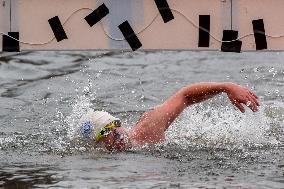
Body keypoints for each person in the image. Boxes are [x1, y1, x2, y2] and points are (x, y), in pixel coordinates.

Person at [78, 82, 260, 152]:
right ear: (99, 146)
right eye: (106, 139)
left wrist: (227, 87)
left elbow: (185, 96)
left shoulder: (146, 128)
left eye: (116, 131)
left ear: (119, 124)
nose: (116, 140)